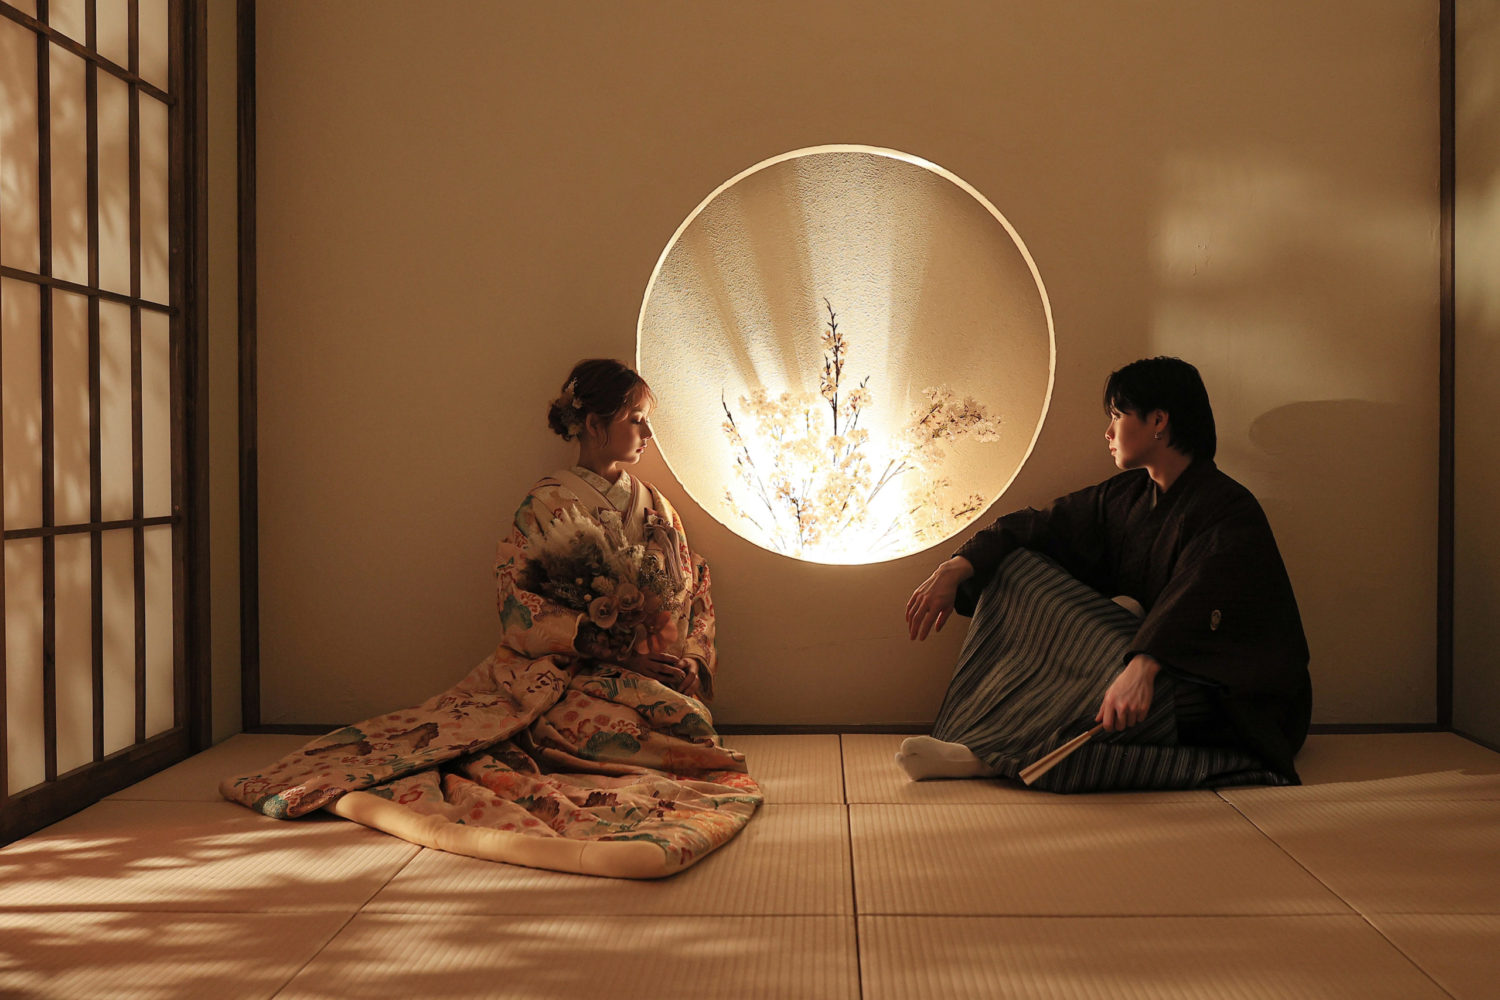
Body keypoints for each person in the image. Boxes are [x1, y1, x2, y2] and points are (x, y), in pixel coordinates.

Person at [222, 359, 760, 878]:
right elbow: (521, 604)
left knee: (687, 721)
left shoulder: (656, 505)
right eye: (636, 419)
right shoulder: (547, 503)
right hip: (571, 670)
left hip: (651, 667)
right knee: (609, 729)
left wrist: (690, 659)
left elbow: (694, 584)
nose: (647, 433)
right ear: (595, 424)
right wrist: (612, 647)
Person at [899, 356, 1311, 791]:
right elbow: (1042, 525)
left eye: (1117, 415)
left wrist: (1144, 665)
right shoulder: (1127, 495)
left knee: (1119, 681)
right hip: (1142, 665)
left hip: (1221, 695)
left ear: (1158, 421)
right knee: (1017, 568)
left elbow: (1198, 596)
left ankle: (986, 759)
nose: (1108, 432)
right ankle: (983, 742)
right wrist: (959, 565)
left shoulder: (1229, 510)